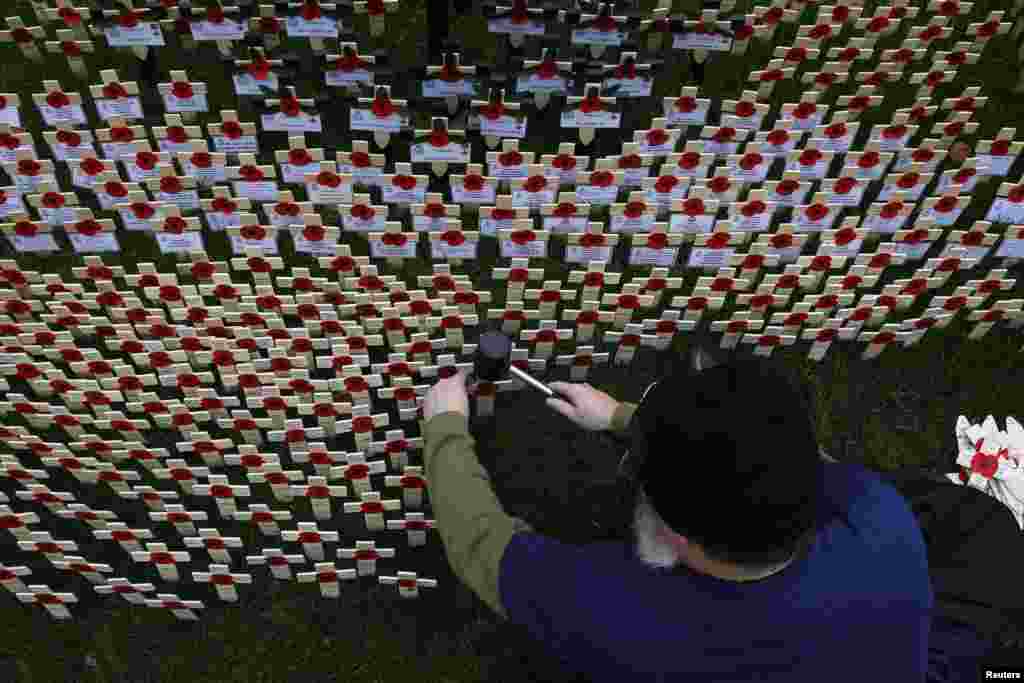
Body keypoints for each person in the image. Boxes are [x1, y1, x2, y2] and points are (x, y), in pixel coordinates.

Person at [420, 355, 934, 682]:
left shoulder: (621, 617)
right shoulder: (881, 518)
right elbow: (768, 451)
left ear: (674, 534)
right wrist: (625, 419)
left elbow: (482, 545)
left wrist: (444, 426)